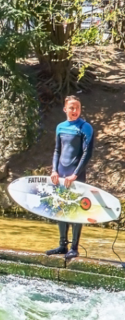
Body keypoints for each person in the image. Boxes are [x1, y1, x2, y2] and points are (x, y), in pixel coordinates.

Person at [44, 95, 95, 261]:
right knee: (60, 207)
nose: (75, 111)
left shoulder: (85, 127)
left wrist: (75, 175)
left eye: (77, 108)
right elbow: (57, 151)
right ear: (65, 109)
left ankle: (74, 247)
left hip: (76, 175)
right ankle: (62, 245)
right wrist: (54, 170)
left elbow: (87, 153)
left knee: (76, 210)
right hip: (60, 174)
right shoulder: (60, 127)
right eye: (71, 107)